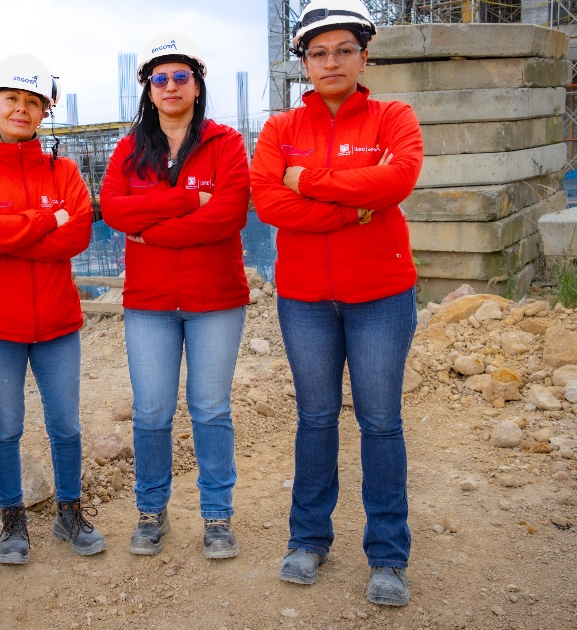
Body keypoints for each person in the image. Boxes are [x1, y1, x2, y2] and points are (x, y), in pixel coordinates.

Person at [248, 0, 424, 607]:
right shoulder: (280, 131)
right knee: (316, 418)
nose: (331, 62)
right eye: (318, 53)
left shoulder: (393, 117)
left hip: (381, 296)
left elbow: (397, 181)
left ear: (363, 56)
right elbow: (269, 202)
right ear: (304, 63)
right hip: (306, 300)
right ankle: (308, 540)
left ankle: (388, 556)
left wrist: (308, 182)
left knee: (381, 422)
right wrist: (355, 207)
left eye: (344, 50)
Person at [100, 31, 251, 560]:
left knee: (210, 409)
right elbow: (114, 210)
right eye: (159, 78)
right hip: (150, 302)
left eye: (180, 76)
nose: (170, 86)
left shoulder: (226, 143)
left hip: (215, 300)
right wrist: (189, 201)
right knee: (151, 412)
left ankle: (217, 516)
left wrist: (152, 229)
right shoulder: (129, 149)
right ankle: (151, 511)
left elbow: (228, 214)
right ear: (148, 88)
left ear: (197, 84)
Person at [0, 54, 104, 565]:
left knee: (66, 426)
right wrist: (46, 219)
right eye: (11, 99)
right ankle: (12, 519)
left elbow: (76, 235)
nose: (21, 109)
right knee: (6, 426)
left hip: (57, 322)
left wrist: (8, 232)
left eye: (32, 102)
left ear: (45, 111)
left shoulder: (64, 170)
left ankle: (69, 513)